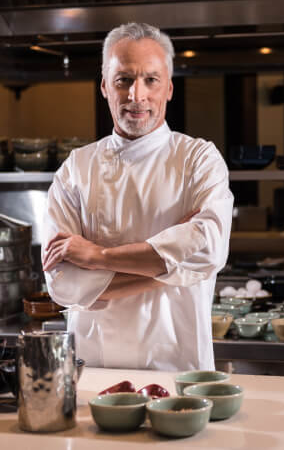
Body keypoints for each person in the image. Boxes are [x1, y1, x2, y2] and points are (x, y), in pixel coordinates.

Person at [41, 22, 233, 371]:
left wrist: (97, 256)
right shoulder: (77, 167)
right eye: (123, 80)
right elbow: (63, 283)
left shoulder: (198, 159)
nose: (136, 95)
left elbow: (208, 249)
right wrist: (175, 265)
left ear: (169, 88)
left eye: (150, 79)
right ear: (104, 86)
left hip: (179, 369)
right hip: (95, 369)